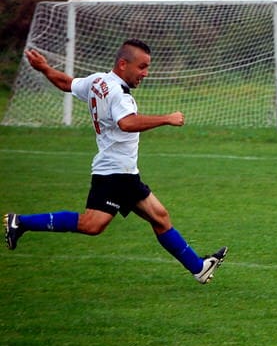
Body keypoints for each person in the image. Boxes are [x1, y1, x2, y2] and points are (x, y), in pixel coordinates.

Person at [3, 39, 228, 283]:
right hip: (114, 173)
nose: (146, 73)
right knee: (92, 225)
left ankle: (199, 268)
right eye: (141, 67)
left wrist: (44, 68)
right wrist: (167, 118)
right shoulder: (120, 95)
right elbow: (127, 123)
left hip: (125, 173)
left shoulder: (98, 81)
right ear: (123, 64)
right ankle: (21, 222)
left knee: (160, 217)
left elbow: (66, 83)